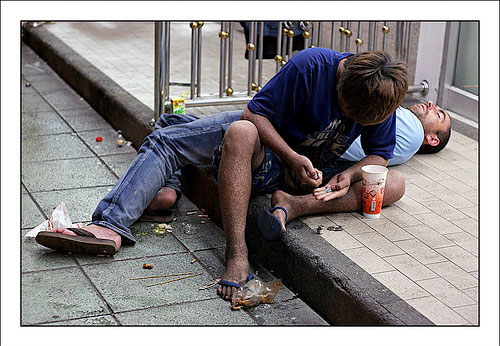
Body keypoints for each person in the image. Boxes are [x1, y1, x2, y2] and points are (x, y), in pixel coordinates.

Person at [35, 48, 408, 301]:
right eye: (348, 111)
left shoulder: (379, 93)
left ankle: (292, 207)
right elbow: (253, 114)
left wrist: (351, 174)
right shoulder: (311, 66)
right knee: (217, 133)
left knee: (394, 183)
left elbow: (379, 153)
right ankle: (225, 249)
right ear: (343, 82)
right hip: (273, 156)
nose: (353, 122)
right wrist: (293, 157)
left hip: (307, 180)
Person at [147, 100, 452, 212]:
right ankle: (171, 183)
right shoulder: (393, 113)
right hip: (308, 162)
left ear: (432, 138)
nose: (430, 104)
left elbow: (366, 153)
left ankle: (169, 185)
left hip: (315, 167)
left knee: (171, 126)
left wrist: (349, 174)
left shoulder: (409, 128)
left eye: (439, 114)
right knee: (177, 127)